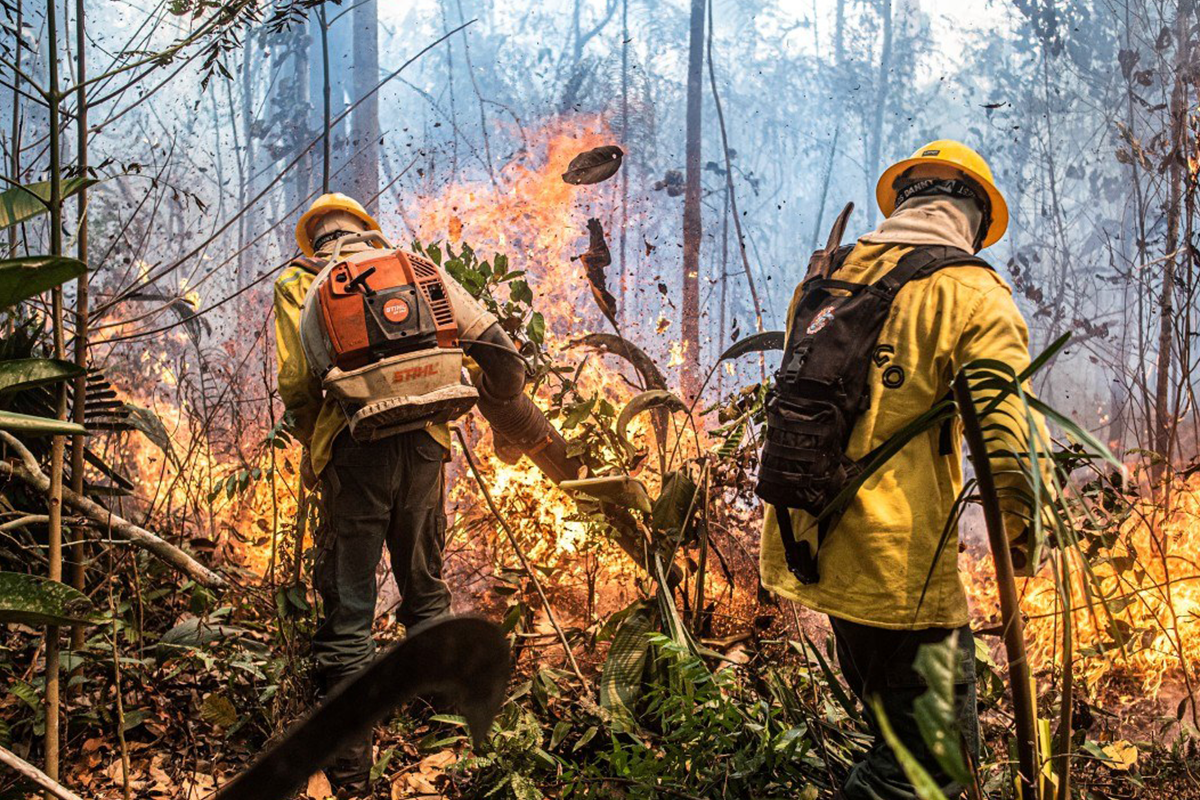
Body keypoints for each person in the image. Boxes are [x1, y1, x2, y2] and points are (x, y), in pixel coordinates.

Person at [758, 141, 1051, 799]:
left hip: (809, 539)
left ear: (908, 198)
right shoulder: (974, 293)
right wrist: (1022, 535)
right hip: (898, 574)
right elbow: (1005, 437)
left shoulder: (829, 275)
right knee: (932, 773)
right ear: (975, 218)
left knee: (899, 735)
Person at [274, 193, 581, 794]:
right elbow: (504, 357)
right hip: (424, 448)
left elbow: (298, 383)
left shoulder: (298, 284)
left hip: (353, 453)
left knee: (350, 617)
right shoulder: (416, 268)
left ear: (314, 241)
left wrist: (318, 451)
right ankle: (451, 749)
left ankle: (352, 778)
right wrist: (496, 407)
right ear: (367, 230)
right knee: (425, 592)